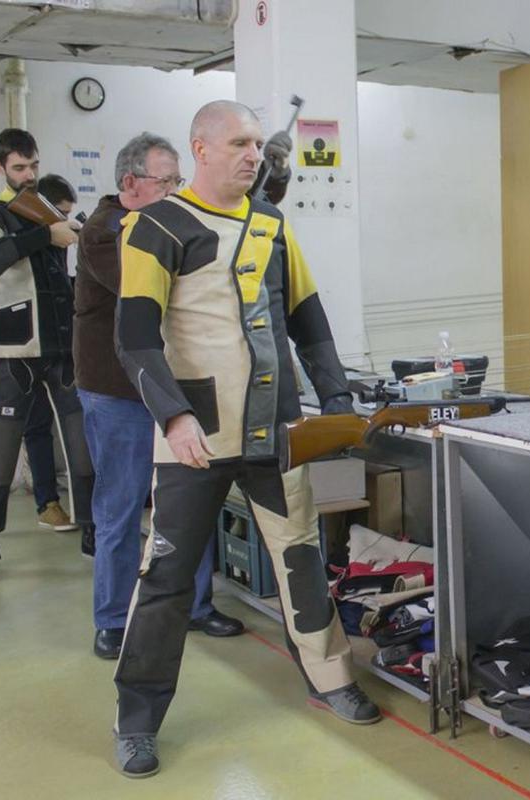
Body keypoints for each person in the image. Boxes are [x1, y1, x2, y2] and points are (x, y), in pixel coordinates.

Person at [111, 101, 379, 778]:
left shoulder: (271, 224)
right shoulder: (155, 226)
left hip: (274, 433)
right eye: (239, 143)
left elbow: (308, 320)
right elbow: (135, 337)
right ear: (200, 149)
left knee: (301, 559)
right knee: (166, 578)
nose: (254, 155)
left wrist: (337, 402)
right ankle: (136, 719)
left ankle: (330, 678)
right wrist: (173, 417)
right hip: (193, 437)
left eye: (257, 143)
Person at [74, 133, 246, 661]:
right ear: (130, 183)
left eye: (178, 180)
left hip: (171, 393)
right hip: (119, 394)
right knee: (122, 507)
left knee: (188, 504)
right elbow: (157, 288)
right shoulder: (104, 233)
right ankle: (112, 619)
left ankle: (195, 605)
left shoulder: (170, 224)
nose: (175, 191)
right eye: (165, 182)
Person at [0, 129, 94, 587]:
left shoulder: (45, 208)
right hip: (15, 348)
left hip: (62, 346)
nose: (28, 175)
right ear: (0, 167)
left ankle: (94, 527)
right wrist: (47, 234)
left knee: (83, 440)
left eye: (34, 166)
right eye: (19, 167)